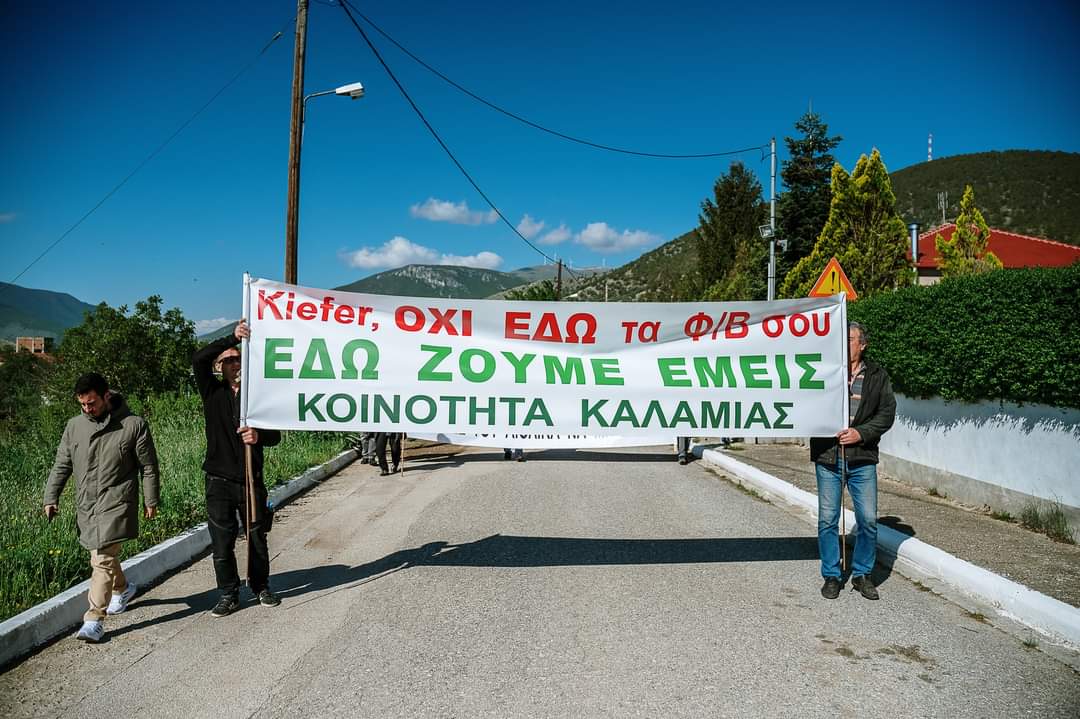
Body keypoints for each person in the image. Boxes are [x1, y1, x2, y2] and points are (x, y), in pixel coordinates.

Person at [43, 373, 160, 643]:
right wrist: (52, 497)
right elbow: (62, 464)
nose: (88, 409)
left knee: (102, 559)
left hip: (117, 502)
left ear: (107, 396)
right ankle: (123, 587)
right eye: (83, 405)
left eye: (92, 403)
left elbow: (149, 466)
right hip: (87, 503)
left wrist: (150, 499)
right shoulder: (74, 426)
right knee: (102, 557)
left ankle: (94, 618)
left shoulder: (133, 425)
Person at [193, 319, 281, 617]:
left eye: (238, 357)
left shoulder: (257, 394)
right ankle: (228, 593)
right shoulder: (211, 392)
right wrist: (229, 338)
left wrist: (259, 436)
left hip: (250, 479)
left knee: (257, 536)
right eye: (228, 360)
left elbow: (276, 435)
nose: (233, 363)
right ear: (220, 366)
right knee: (222, 543)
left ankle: (261, 586)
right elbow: (198, 358)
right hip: (218, 481)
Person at [813, 322, 896, 601]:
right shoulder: (823, 370)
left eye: (849, 339)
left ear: (862, 344)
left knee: (868, 520)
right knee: (827, 520)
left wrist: (861, 433)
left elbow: (886, 414)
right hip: (828, 457)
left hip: (862, 459)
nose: (843, 344)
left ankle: (861, 574)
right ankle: (832, 575)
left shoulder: (877, 376)